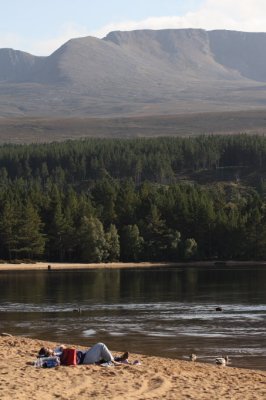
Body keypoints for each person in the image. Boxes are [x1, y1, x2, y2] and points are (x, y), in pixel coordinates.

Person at [38, 343, 128, 365]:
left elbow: (62, 345)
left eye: (48, 348)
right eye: (48, 350)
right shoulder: (55, 357)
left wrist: (62, 347)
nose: (50, 349)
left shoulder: (56, 351)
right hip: (84, 359)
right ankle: (114, 361)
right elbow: (41, 359)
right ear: (47, 354)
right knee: (101, 346)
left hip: (84, 354)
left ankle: (119, 358)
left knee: (102, 353)